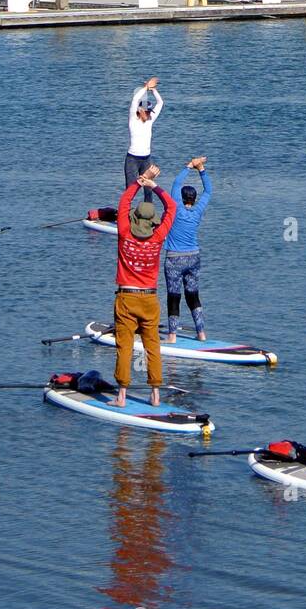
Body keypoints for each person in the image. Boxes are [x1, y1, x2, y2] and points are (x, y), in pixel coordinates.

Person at [110, 164, 176, 409]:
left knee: (124, 346)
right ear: (152, 222)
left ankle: (122, 396)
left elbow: (124, 203)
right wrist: (154, 186)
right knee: (152, 347)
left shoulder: (125, 232)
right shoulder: (158, 237)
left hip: (126, 298)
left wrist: (140, 182)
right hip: (150, 299)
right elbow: (172, 208)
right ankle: (156, 395)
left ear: (135, 219)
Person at [163, 156, 212, 343]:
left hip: (174, 259)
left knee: (174, 295)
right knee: (193, 295)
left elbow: (176, 183)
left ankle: (172, 335)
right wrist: (201, 169)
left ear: (182, 198)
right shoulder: (198, 211)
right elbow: (209, 190)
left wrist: (188, 166)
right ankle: (201, 333)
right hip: (194, 257)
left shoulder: (175, 207)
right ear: (194, 199)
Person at [125, 77, 162, 202]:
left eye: (150, 112)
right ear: (140, 111)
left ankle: (148, 215)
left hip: (146, 159)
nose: (149, 114)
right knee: (130, 190)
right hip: (132, 160)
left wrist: (153, 90)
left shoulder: (150, 120)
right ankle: (127, 215)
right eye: (146, 112)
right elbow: (135, 99)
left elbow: (161, 103)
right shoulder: (133, 120)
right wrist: (145, 87)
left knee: (149, 189)